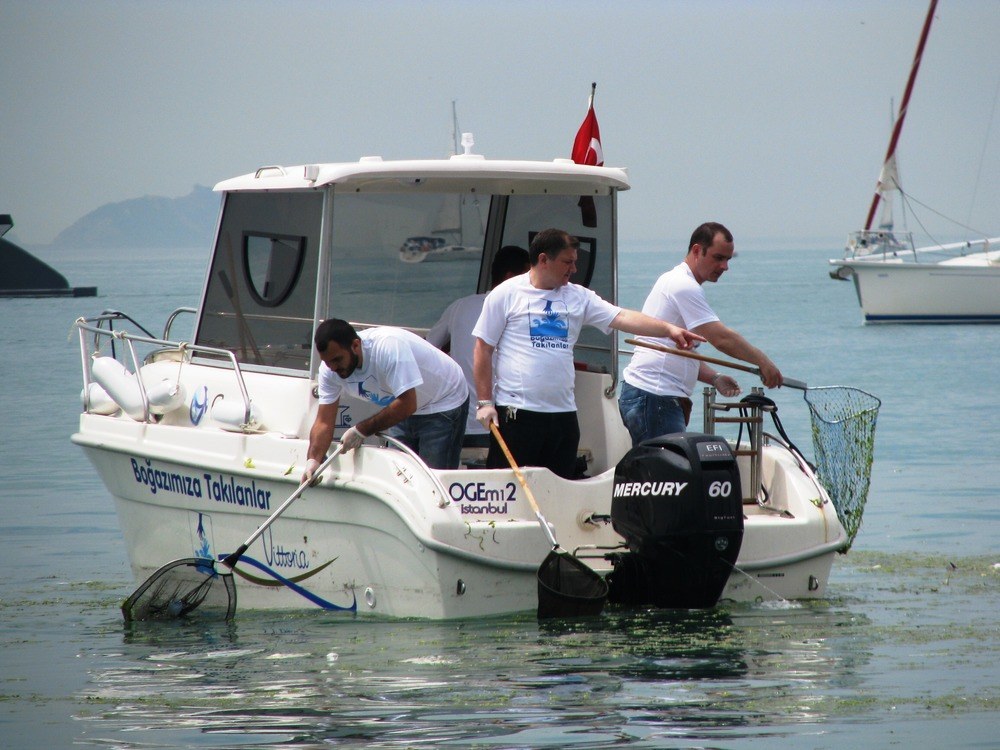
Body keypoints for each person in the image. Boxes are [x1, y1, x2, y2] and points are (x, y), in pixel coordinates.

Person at [472, 228, 705, 479]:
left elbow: (622, 316)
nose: (573, 269)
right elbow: (483, 349)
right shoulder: (505, 294)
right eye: (567, 262)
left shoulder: (578, 296)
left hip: (563, 416)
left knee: (561, 487)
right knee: (509, 489)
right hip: (517, 414)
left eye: (575, 262)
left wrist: (669, 329)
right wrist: (485, 403)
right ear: (543, 260)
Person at [619, 221, 783, 446]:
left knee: (664, 473)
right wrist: (763, 362)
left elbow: (679, 352)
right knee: (668, 476)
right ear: (697, 250)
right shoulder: (683, 285)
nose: (724, 266)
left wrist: (714, 378)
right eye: (718, 258)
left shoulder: (677, 282)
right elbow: (721, 338)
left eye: (728, 259)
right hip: (654, 397)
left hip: (654, 397)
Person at [301, 319, 469, 481]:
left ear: (356, 345)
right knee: (400, 476)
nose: (333, 368)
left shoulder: (388, 348)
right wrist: (313, 460)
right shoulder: (329, 370)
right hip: (400, 401)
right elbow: (324, 422)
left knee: (433, 479)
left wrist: (361, 430)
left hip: (443, 399)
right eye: (327, 362)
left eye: (337, 360)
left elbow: (408, 404)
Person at [426, 245, 530, 447]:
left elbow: (430, 349)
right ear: (510, 278)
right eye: (527, 279)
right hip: (505, 426)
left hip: (460, 424)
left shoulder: (460, 306)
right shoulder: (523, 311)